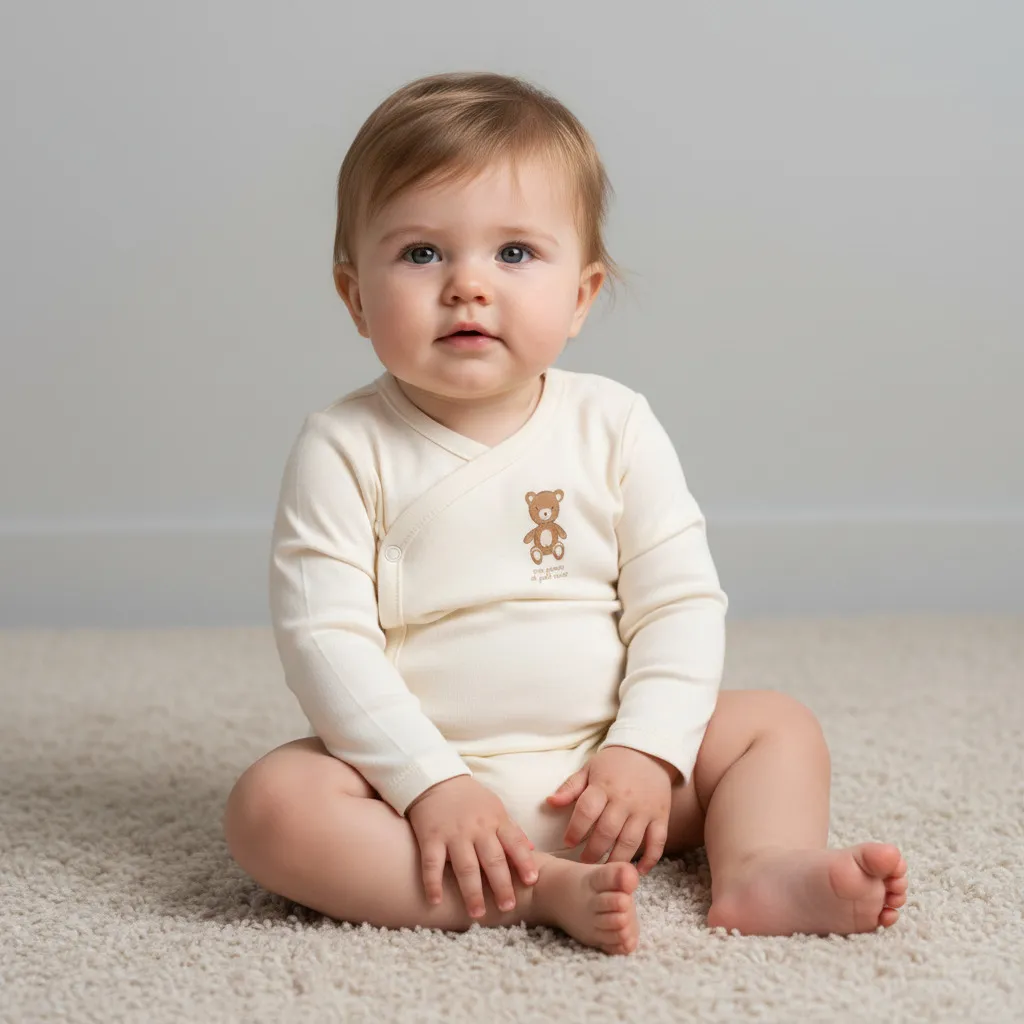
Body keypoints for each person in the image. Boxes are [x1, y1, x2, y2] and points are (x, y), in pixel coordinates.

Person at [223, 71, 908, 955]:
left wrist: (648, 751)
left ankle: (761, 869)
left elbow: (678, 604)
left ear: (581, 296)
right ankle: (537, 892)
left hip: (609, 782)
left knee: (776, 726)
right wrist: (430, 783)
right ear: (355, 296)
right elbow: (326, 641)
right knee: (272, 807)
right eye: (422, 253)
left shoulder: (613, 425)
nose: (468, 286)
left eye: (514, 253)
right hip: (424, 795)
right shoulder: (343, 447)